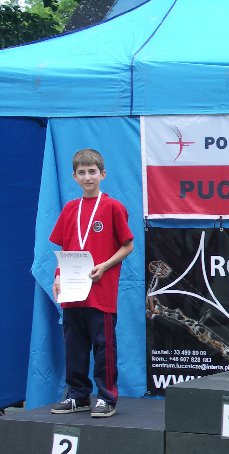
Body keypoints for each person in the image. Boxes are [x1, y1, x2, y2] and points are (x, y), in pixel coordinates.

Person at [49, 149, 134, 418]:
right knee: (74, 346)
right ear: (74, 177)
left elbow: (128, 245)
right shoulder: (70, 209)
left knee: (103, 346)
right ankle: (78, 395)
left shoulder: (113, 207)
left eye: (92, 172)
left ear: (102, 174)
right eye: (82, 172)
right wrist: (58, 276)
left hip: (100, 291)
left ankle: (107, 397)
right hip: (72, 290)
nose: (88, 177)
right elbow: (65, 249)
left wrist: (105, 266)